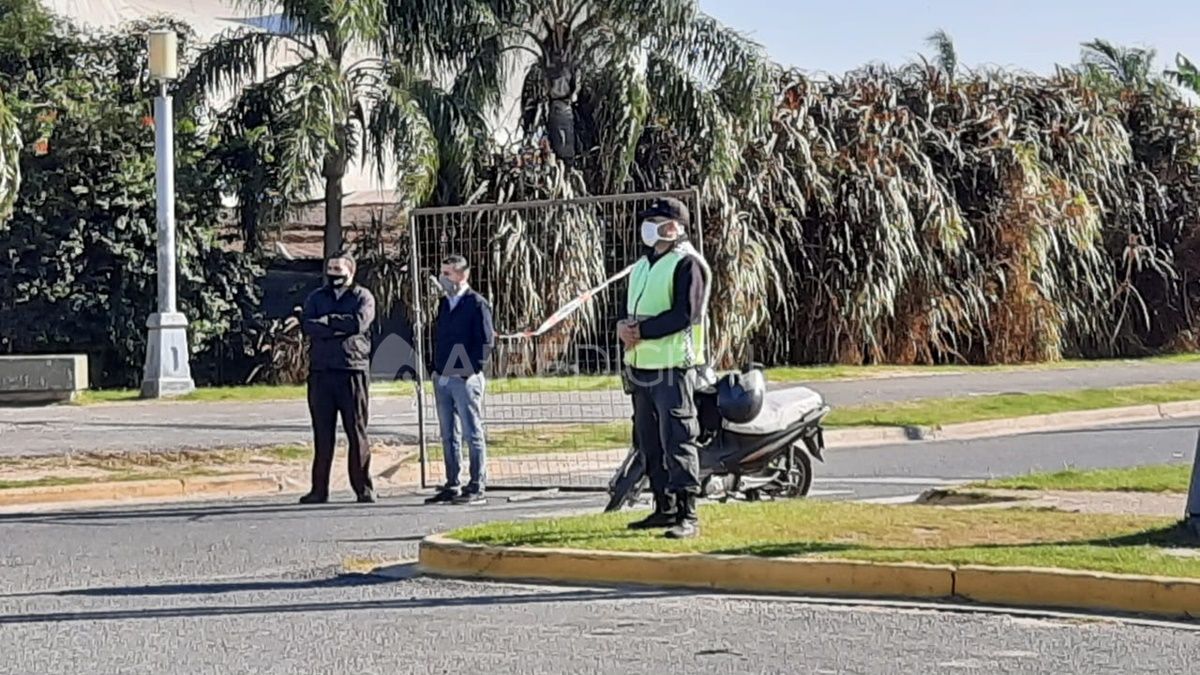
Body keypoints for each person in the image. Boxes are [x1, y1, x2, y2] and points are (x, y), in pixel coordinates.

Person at [618, 197, 711, 539]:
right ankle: (663, 507)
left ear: (675, 225)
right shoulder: (643, 265)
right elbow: (636, 310)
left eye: (655, 220)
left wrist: (641, 331)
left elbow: (685, 315)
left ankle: (688, 513)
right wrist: (623, 328)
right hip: (642, 367)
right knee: (650, 442)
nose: (648, 226)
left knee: (679, 438)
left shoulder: (687, 263)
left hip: (673, 367)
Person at [299, 251, 377, 505]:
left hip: (351, 370)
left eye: (338, 269)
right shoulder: (316, 297)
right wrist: (333, 327)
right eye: (330, 268)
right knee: (323, 434)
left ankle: (363, 488)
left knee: (356, 431)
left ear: (351, 272)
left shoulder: (362, 297)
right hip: (321, 372)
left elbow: (357, 324)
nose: (333, 274)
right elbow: (308, 325)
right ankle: (318, 490)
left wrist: (329, 322)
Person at [424, 254, 496, 506]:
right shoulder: (444, 304)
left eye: (448, 274)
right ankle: (452, 483)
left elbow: (486, 341)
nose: (443, 278)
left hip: (465, 378)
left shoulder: (477, 304)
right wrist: (434, 368)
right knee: (448, 434)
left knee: (471, 432)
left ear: (462, 275)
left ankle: (477, 484)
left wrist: (472, 370)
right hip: (443, 376)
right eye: (442, 273)